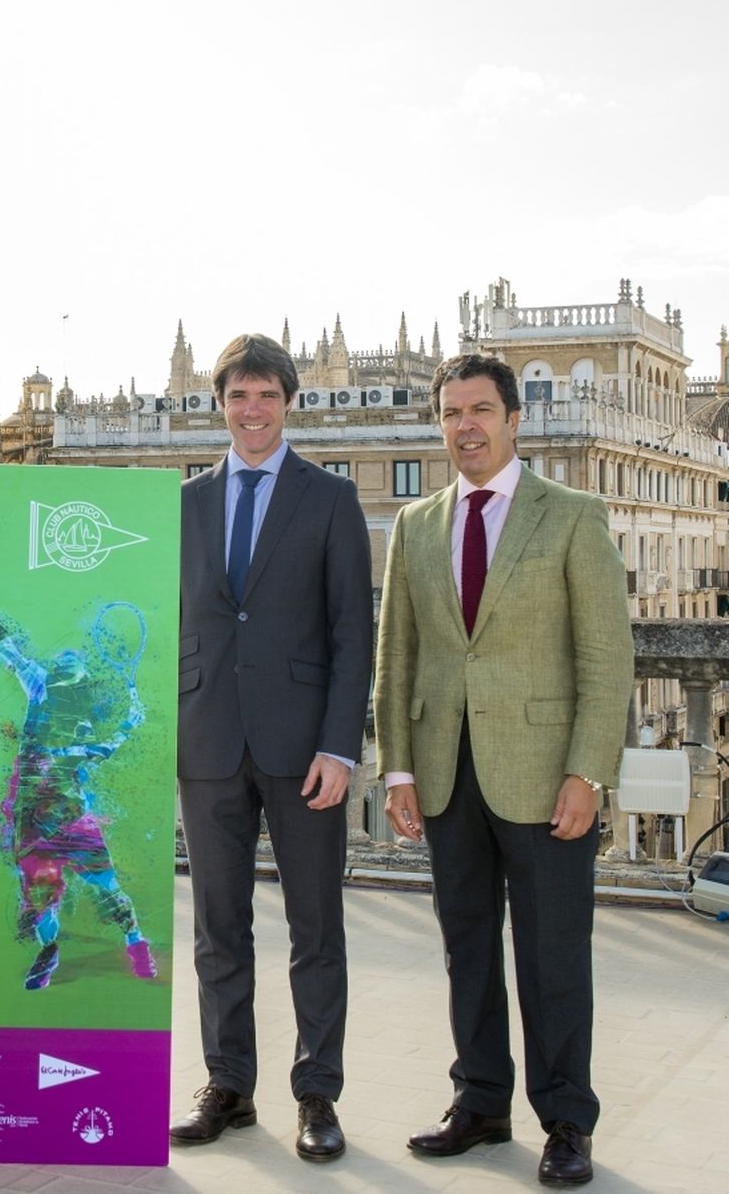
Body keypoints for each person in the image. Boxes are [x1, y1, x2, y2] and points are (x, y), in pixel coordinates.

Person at [375, 354, 632, 1187]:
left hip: (544, 773)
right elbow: (398, 657)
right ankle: (480, 1100)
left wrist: (588, 772)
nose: (465, 427)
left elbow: (606, 657)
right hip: (447, 774)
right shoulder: (417, 524)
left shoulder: (571, 515)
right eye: (450, 414)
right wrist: (399, 769)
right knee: (468, 951)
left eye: (481, 410)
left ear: (515, 418)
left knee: (555, 955)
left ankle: (566, 1121)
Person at [171, 333, 372, 1163]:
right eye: (237, 395)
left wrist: (340, 744)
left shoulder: (329, 498)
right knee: (219, 926)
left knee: (315, 925)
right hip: (207, 740)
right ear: (217, 403)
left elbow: (352, 630)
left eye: (266, 395)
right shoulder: (183, 501)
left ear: (290, 401)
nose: (252, 410)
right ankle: (230, 1084)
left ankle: (317, 1092)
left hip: (303, 749)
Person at [0, 577, 156, 989]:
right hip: (49, 819)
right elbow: (7, 649)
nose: (67, 661)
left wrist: (126, 725)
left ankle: (129, 943)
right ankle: (79, 949)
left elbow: (88, 753)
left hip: (56, 818)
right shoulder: (49, 691)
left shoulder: (62, 699)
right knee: (58, 896)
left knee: (89, 891)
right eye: (64, 661)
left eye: (72, 662)